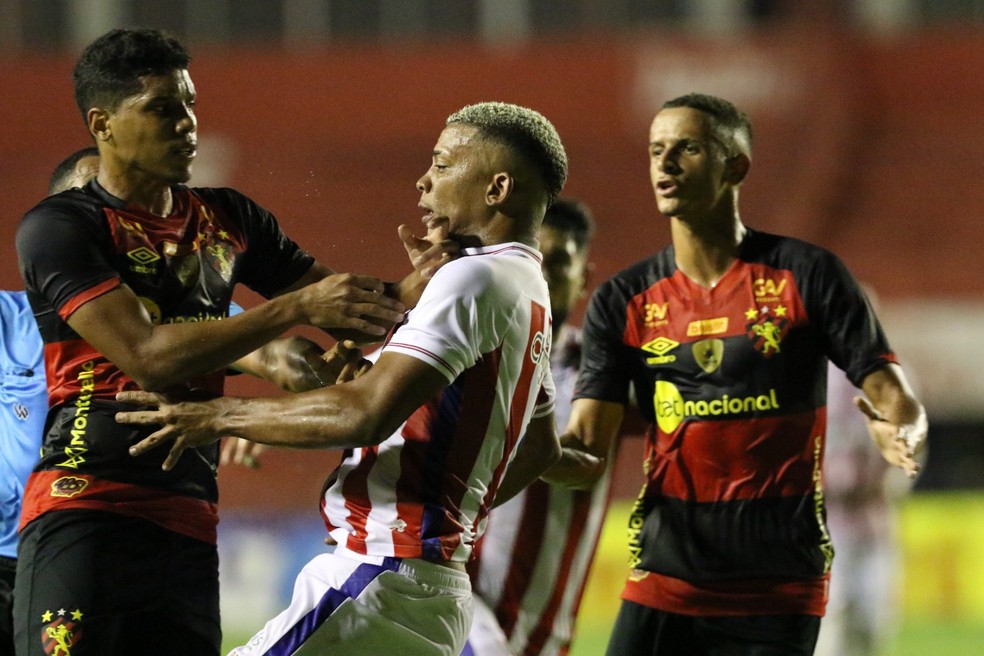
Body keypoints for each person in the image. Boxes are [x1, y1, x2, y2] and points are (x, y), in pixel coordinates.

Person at [13, 27, 449, 656]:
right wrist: (291, 310)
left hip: (190, 521)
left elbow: (357, 316)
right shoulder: (59, 227)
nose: (186, 123)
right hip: (86, 503)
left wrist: (427, 281)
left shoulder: (230, 217)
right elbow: (146, 355)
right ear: (102, 123)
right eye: (163, 109)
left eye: (189, 105)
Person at [118, 100, 582, 656]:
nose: (424, 179)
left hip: (381, 580)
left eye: (441, 163)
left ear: (497, 187)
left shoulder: (475, 278)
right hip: (430, 588)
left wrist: (219, 416)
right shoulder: (528, 288)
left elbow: (366, 412)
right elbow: (537, 448)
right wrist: (442, 522)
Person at [561, 93, 927, 655]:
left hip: (779, 587)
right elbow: (584, 450)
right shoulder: (623, 299)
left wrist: (900, 427)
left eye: (688, 148)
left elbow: (892, 395)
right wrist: (496, 455)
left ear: (736, 166)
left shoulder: (808, 275)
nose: (666, 164)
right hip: (666, 581)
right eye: (657, 150)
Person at [466, 197, 610, 656]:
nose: (543, 275)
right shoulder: (464, 354)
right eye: (533, 257)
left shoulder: (601, 370)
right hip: (458, 605)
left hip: (539, 635)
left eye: (560, 262)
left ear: (583, 279)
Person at [814, 353, 912, 656]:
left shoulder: (894, 377)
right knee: (828, 621)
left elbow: (912, 440)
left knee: (872, 622)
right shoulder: (811, 373)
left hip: (874, 523)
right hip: (824, 525)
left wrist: (892, 478)